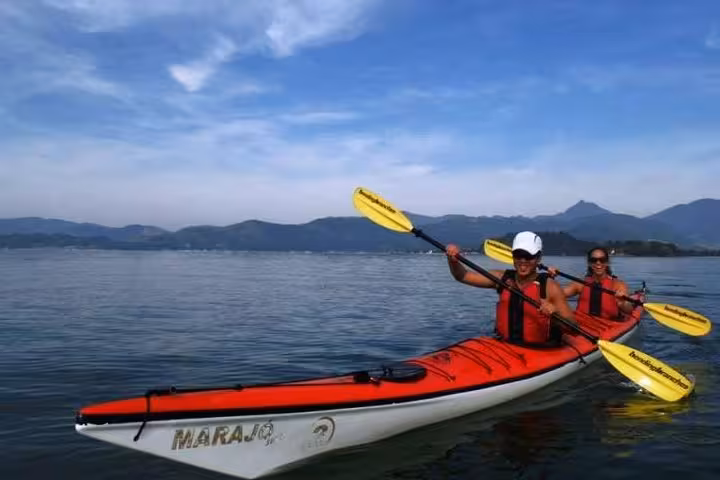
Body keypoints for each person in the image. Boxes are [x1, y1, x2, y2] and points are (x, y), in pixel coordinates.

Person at [446, 231, 575, 346]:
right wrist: (453, 260)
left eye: (529, 256)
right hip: (506, 347)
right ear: (512, 256)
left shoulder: (550, 287)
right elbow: (462, 276)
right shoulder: (501, 278)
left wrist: (555, 315)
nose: (523, 260)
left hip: (541, 350)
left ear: (538, 258)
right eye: (518, 255)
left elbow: (573, 329)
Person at [546, 247, 635, 319]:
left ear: (607, 263)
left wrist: (622, 303)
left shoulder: (618, 285)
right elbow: (554, 295)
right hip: (583, 326)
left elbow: (629, 310)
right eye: (594, 260)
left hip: (609, 327)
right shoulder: (580, 283)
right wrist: (550, 278)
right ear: (589, 263)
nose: (598, 263)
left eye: (602, 260)